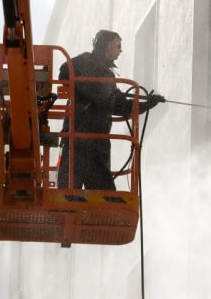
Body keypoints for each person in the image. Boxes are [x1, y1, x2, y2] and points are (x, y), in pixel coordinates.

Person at [57, 30, 164, 190]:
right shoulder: (85, 61)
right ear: (107, 45)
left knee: (104, 197)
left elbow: (119, 105)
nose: (121, 50)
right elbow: (64, 72)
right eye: (118, 45)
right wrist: (90, 93)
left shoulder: (109, 78)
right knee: (68, 197)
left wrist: (147, 104)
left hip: (97, 146)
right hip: (76, 142)